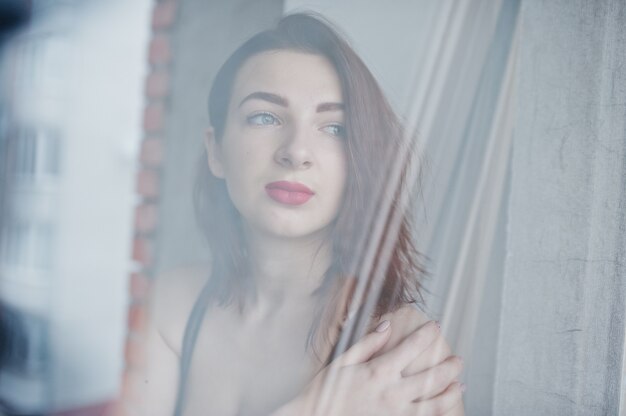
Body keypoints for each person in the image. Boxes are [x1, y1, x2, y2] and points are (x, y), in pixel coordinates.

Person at [134, 13, 465, 416]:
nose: (296, 151)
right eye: (265, 117)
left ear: (359, 159)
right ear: (216, 149)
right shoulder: (171, 307)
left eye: (334, 128)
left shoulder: (395, 347)